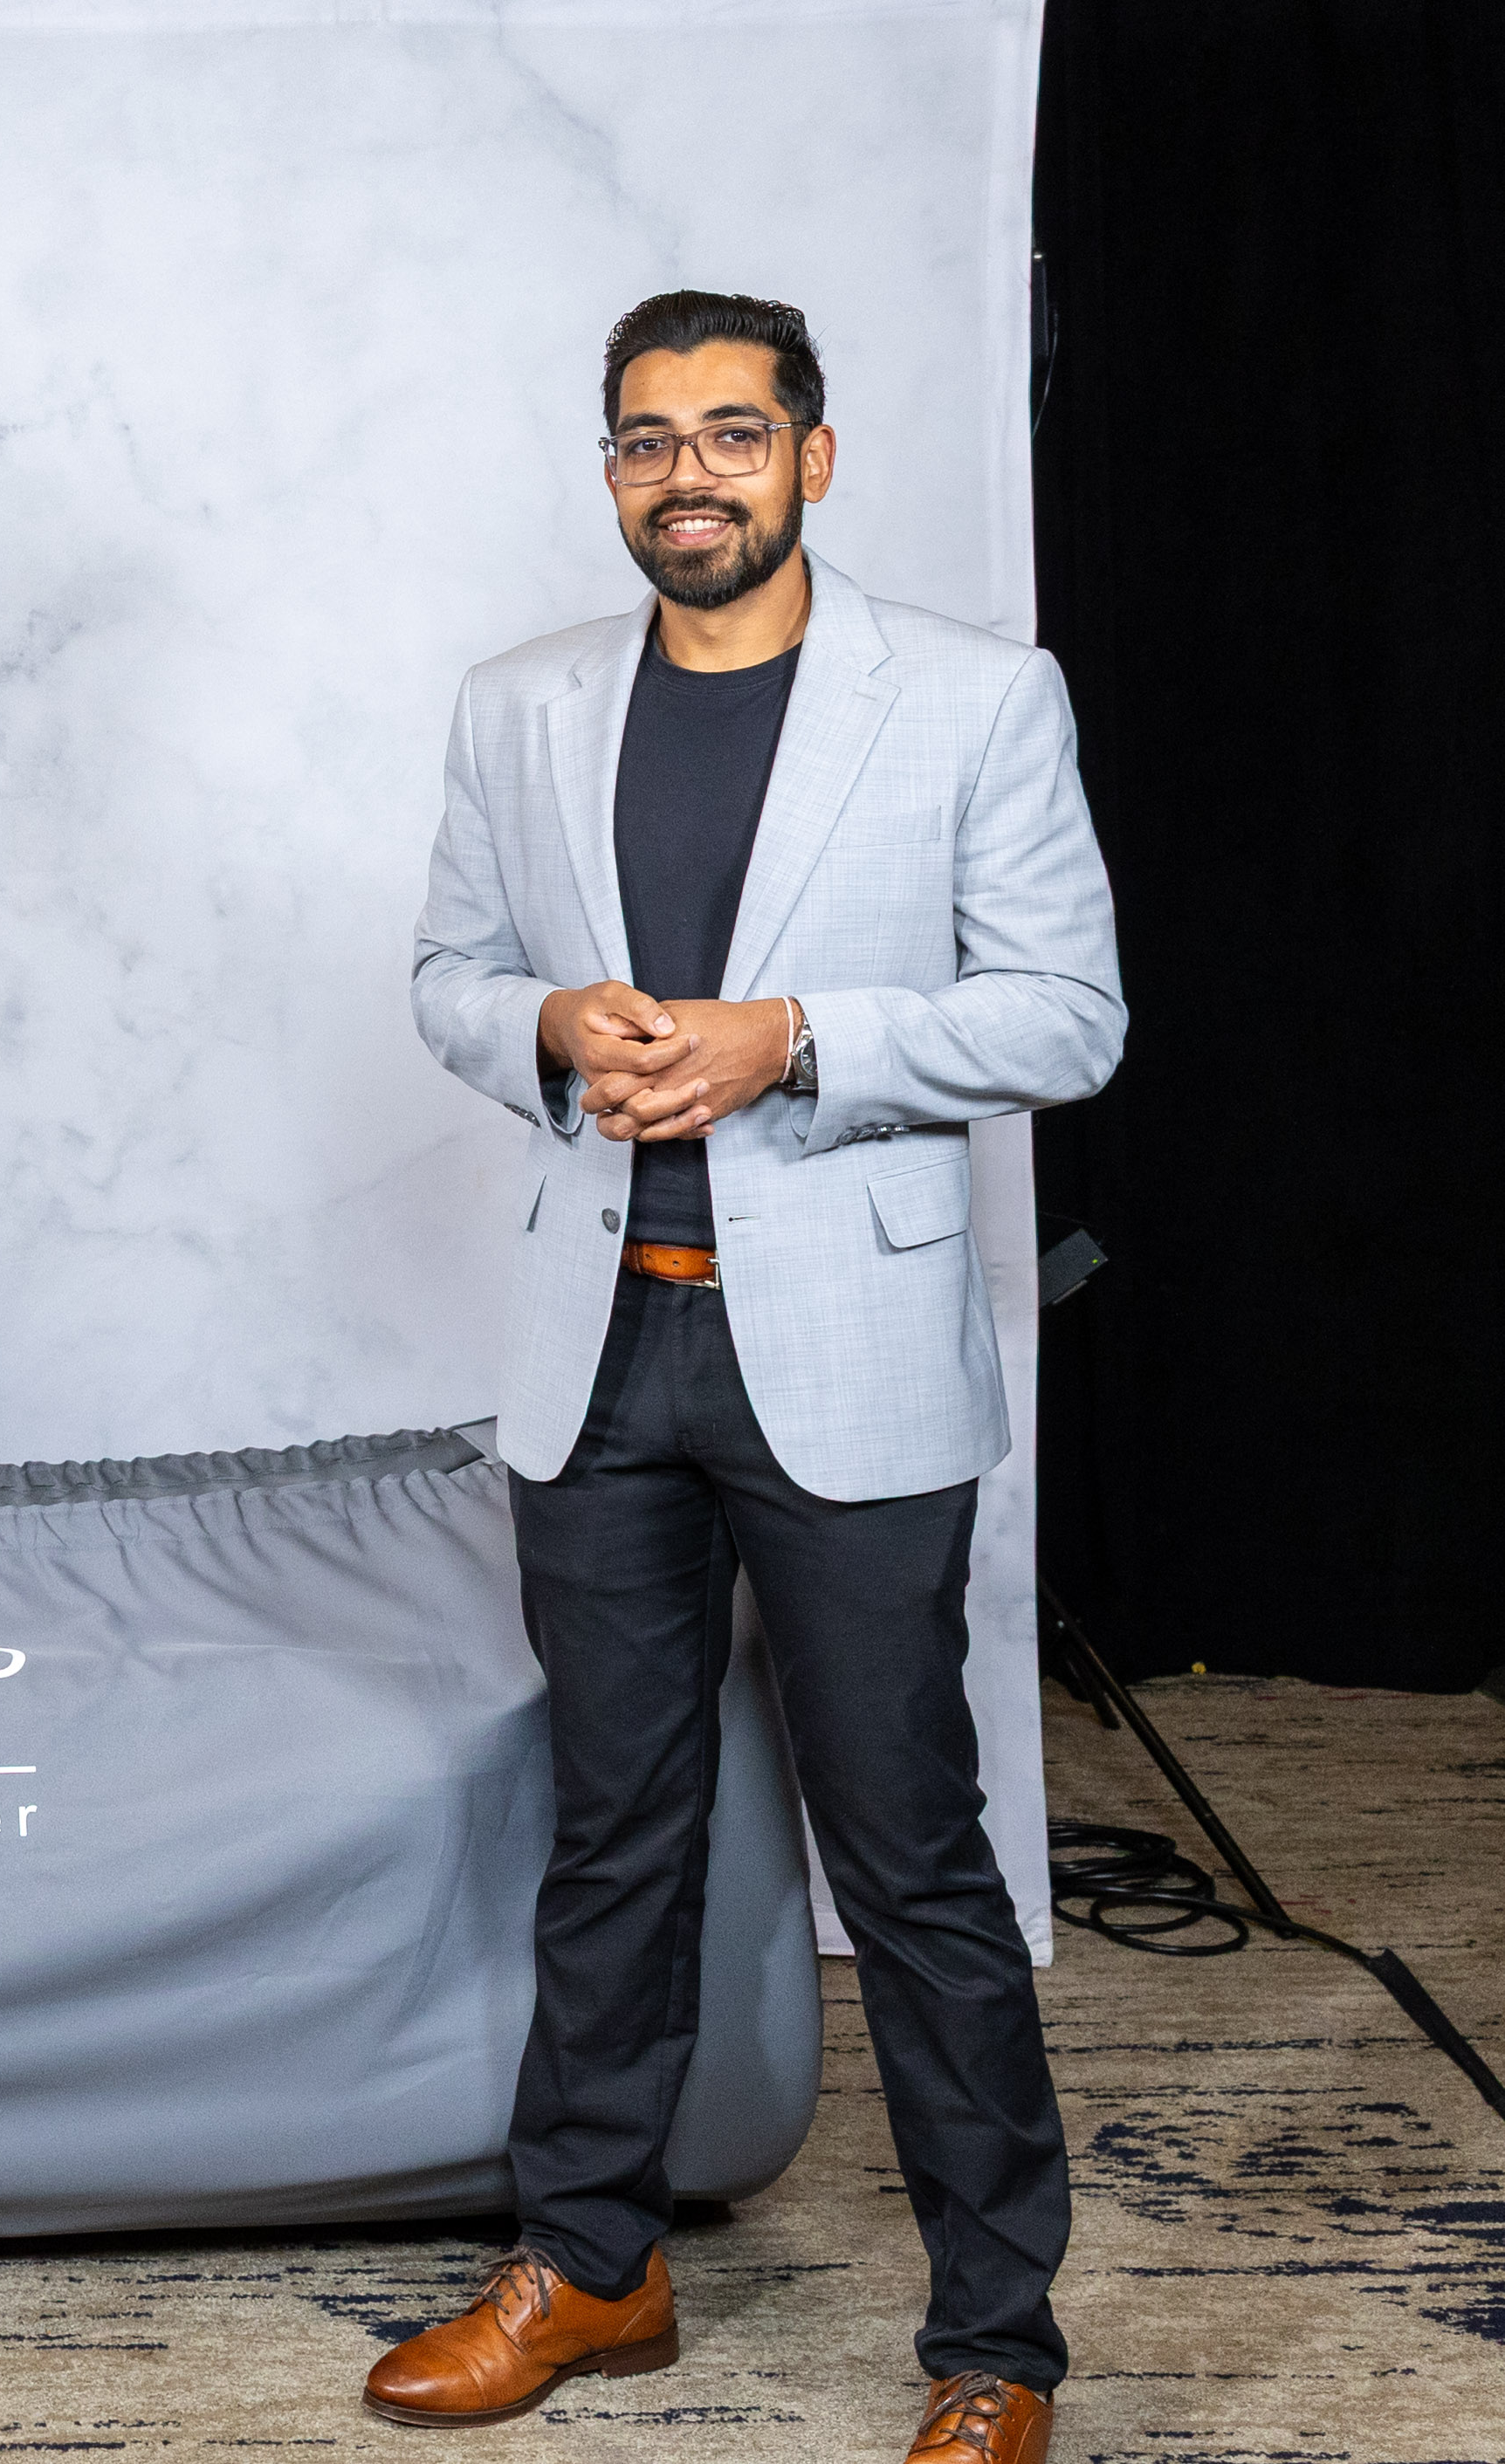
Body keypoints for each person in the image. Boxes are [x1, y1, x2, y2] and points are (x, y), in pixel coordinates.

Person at [389, 294, 1123, 2463]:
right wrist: (545, 1024)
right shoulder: (516, 703)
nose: (683, 473)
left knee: (906, 1856)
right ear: (609, 470)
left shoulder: (974, 696)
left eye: (728, 432)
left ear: (810, 455)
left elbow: (1064, 1014)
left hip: (846, 1356)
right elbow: (446, 972)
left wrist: (787, 1038)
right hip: (596, 1346)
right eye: (644, 439)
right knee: (610, 1831)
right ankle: (590, 2260)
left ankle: (992, 2346)